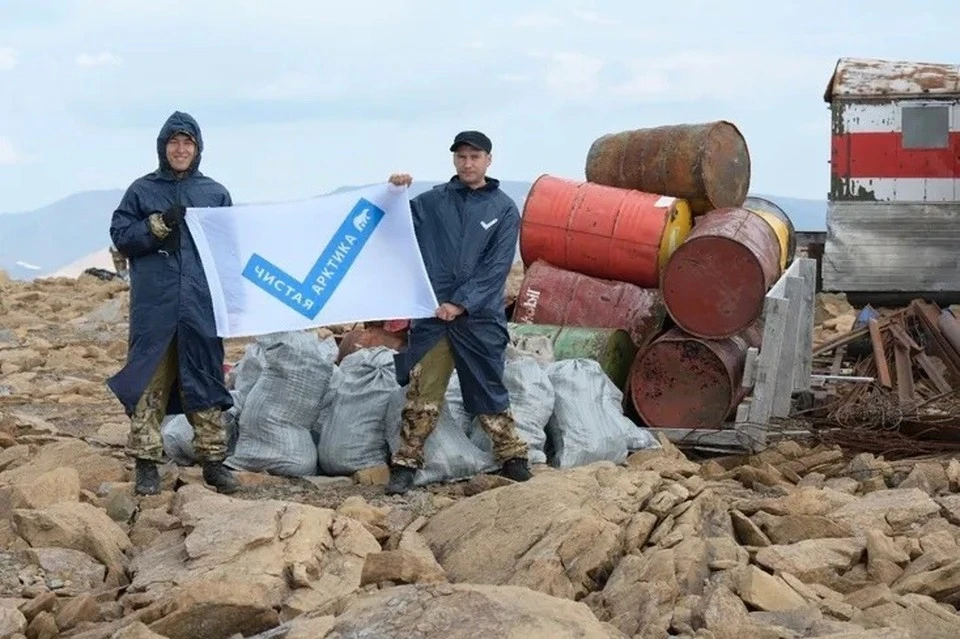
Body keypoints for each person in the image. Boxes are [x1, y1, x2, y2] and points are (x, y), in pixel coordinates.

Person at [385, 130, 532, 495]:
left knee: (489, 391)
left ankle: (514, 459)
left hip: (479, 319)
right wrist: (394, 192)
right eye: (462, 157)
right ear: (453, 160)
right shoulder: (431, 202)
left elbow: (496, 268)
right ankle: (405, 464)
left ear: (488, 160)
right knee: (422, 394)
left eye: (475, 157)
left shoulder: (502, 210)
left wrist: (461, 303)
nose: (468, 163)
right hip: (434, 319)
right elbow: (394, 226)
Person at [107, 110, 239, 496]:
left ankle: (214, 462)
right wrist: (160, 222)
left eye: (188, 143)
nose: (180, 149)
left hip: (200, 303)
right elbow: (122, 235)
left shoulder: (214, 193)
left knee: (204, 376)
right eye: (174, 142)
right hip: (156, 305)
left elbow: (230, 248)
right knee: (150, 378)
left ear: (197, 149)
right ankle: (147, 463)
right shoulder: (142, 191)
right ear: (163, 147)